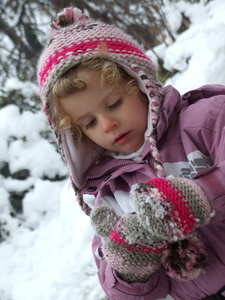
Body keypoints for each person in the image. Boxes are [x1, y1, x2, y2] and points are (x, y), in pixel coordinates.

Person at [37, 7, 225, 300]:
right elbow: (129, 295)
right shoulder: (111, 196)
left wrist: (201, 194)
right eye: (89, 123)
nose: (107, 124)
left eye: (113, 104)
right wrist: (129, 267)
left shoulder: (205, 121)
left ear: (141, 86)